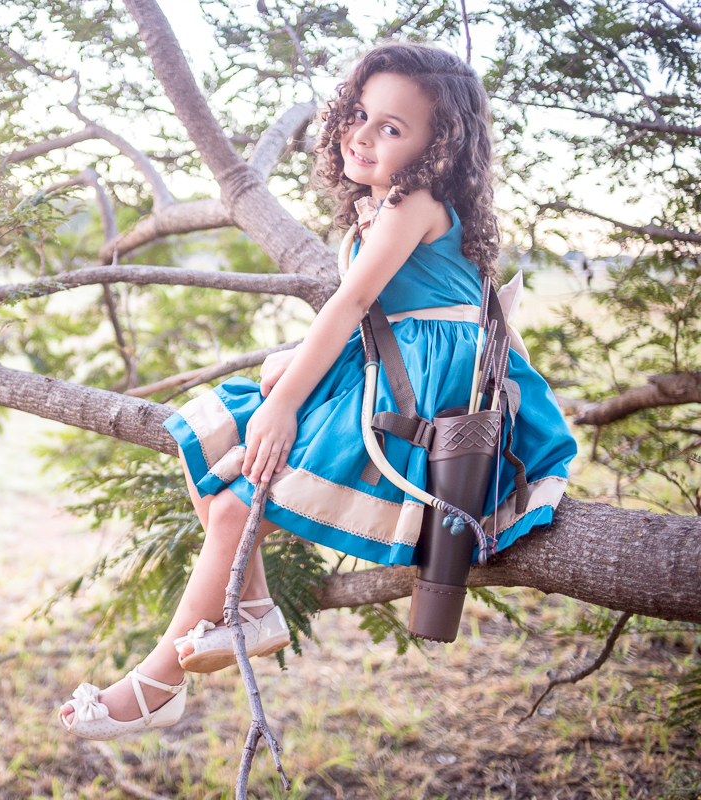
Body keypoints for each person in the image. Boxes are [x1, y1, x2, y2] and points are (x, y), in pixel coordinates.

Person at [58, 41, 577, 741]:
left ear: (440, 147)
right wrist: (290, 365)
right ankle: (254, 605)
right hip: (392, 366)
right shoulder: (388, 205)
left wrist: (285, 401)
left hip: (418, 397)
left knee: (242, 497)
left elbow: (351, 303)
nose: (362, 134)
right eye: (358, 114)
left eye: (391, 127)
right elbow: (385, 313)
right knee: (215, 450)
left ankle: (156, 682)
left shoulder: (413, 200)